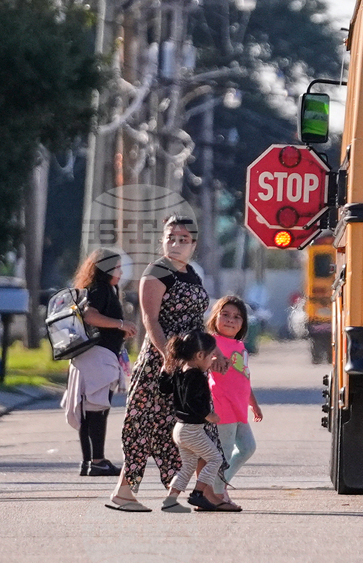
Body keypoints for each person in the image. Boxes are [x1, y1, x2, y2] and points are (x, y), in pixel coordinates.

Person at [106, 216, 212, 512]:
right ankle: (124, 493)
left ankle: (200, 492)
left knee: (192, 425)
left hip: (191, 362)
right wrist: (169, 355)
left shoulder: (192, 273)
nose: (175, 244)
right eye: (170, 237)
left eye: (183, 239)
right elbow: (149, 320)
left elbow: (197, 320)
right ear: (162, 240)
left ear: (194, 244)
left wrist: (207, 354)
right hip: (161, 363)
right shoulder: (157, 271)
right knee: (145, 426)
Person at [62, 248, 138, 476]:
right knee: (97, 410)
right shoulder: (101, 289)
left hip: (89, 357)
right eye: (117, 268)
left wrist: (118, 328)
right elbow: (90, 316)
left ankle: (89, 462)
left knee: (89, 411)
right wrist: (120, 324)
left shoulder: (97, 289)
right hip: (97, 358)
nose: (121, 272)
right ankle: (97, 461)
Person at [157, 330, 240, 512]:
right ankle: (198, 493)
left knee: (188, 467)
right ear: (200, 355)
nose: (212, 360)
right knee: (215, 458)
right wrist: (207, 414)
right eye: (211, 356)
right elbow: (191, 401)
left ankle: (170, 500)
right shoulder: (196, 376)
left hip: (180, 428)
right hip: (191, 430)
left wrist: (164, 370)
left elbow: (164, 388)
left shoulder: (180, 371)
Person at [205, 295, 262, 503]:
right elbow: (202, 363)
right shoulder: (212, 343)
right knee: (224, 453)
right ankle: (217, 494)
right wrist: (211, 361)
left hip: (239, 409)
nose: (230, 320)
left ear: (243, 323)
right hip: (222, 408)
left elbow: (244, 379)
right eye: (225, 314)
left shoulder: (239, 346)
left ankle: (219, 484)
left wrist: (253, 404)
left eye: (237, 317)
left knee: (247, 448)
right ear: (215, 317)